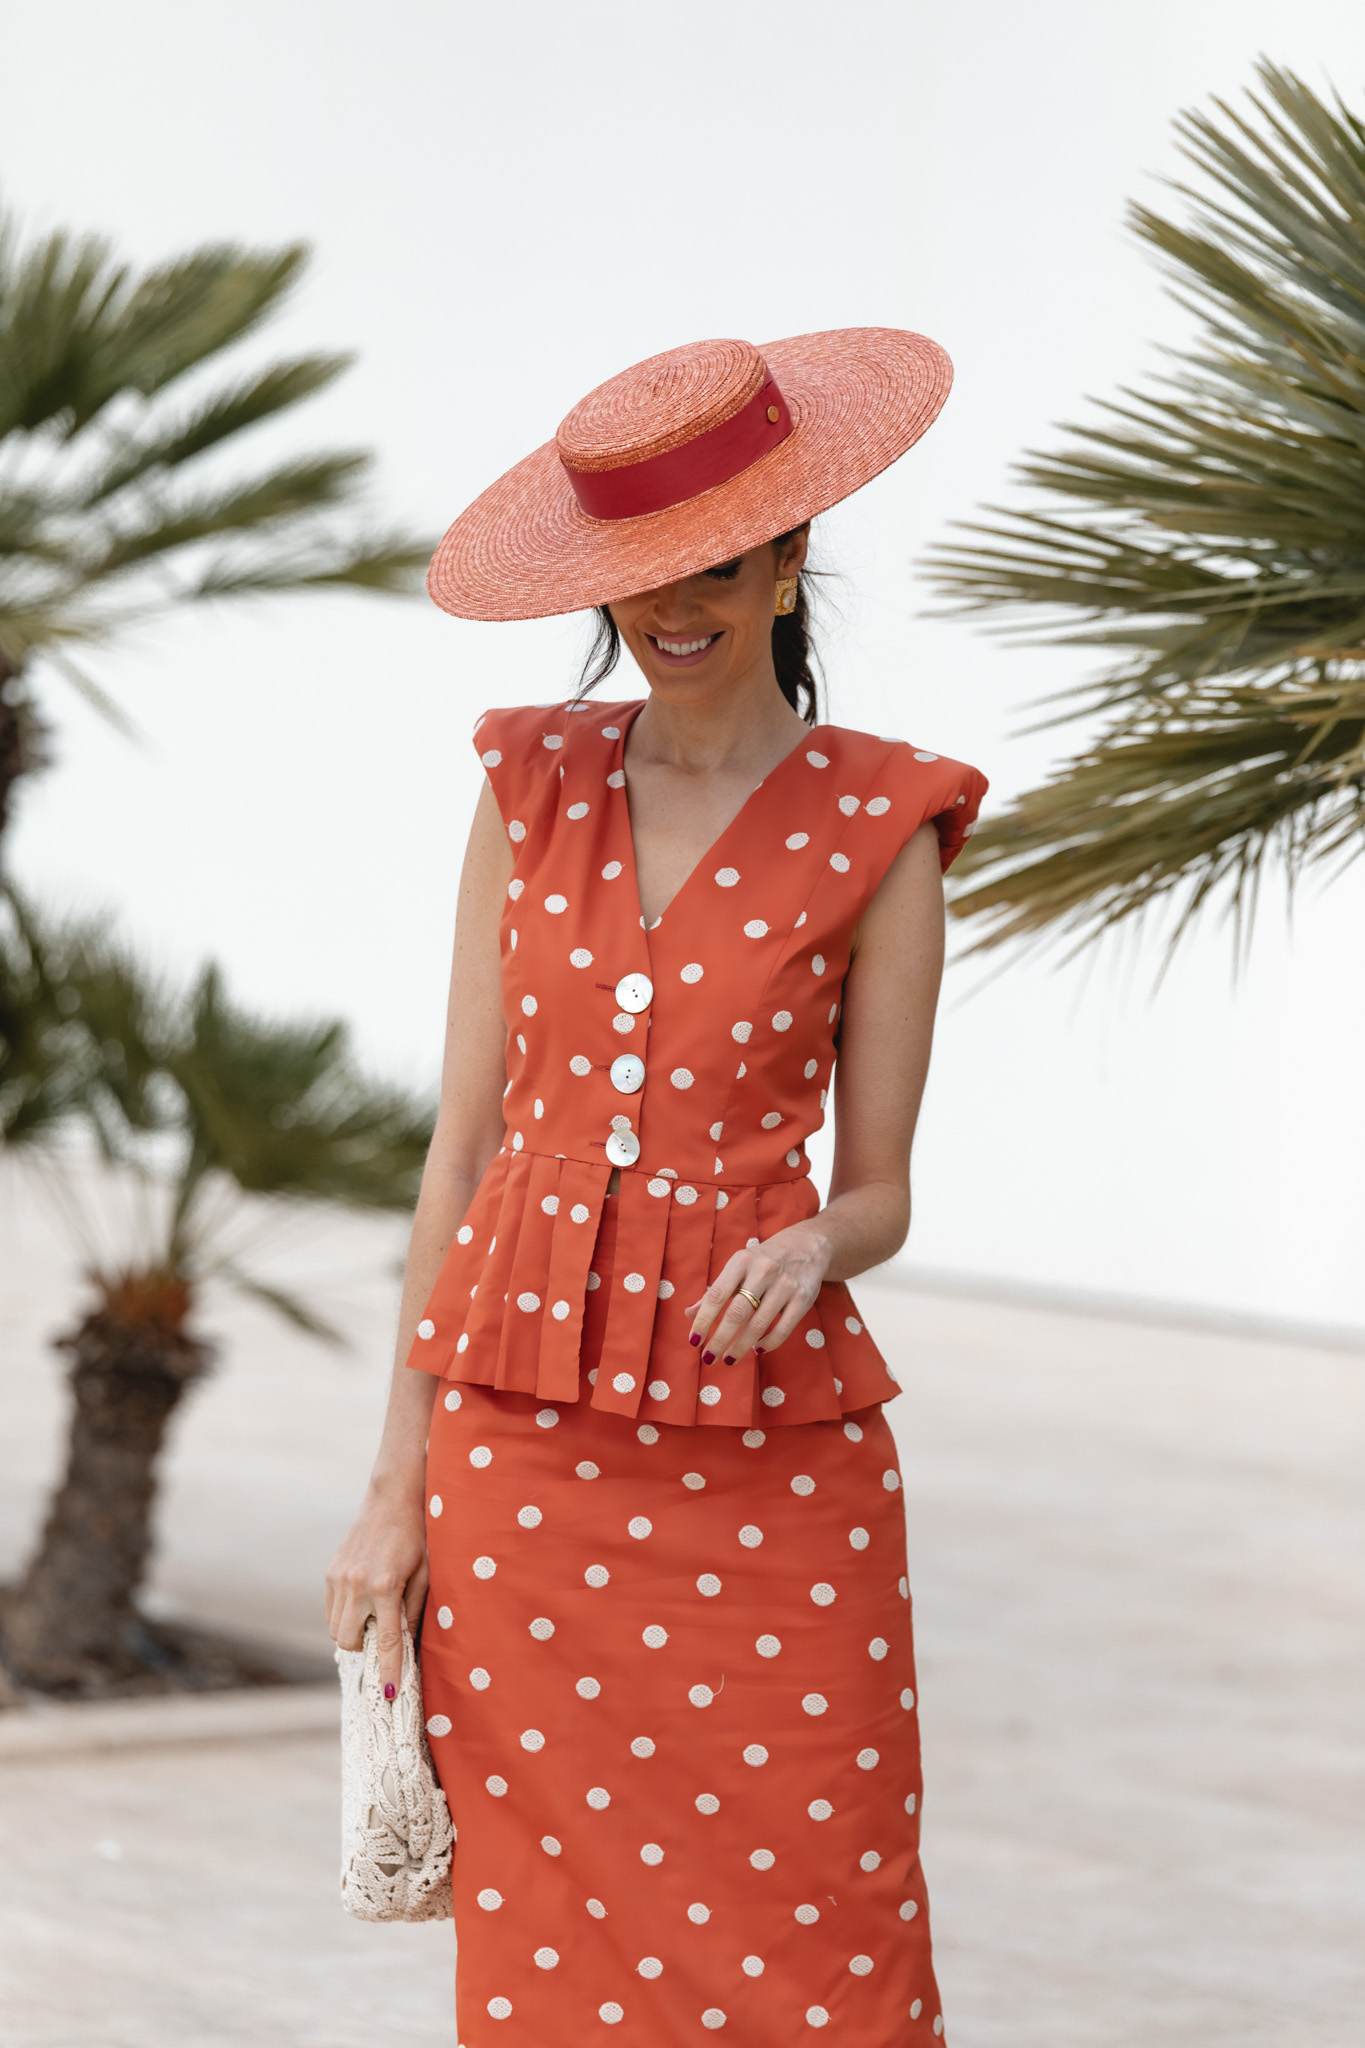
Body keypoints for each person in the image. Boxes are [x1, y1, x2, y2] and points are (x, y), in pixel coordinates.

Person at [326, 330, 987, 2044]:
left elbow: (883, 1191)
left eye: (712, 569)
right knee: (547, 1936)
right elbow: (460, 1152)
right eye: (639, 577)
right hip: (521, 1455)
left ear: (788, 561)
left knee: (826, 1923)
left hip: (769, 1445)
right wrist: (395, 1488)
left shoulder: (883, 823)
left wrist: (817, 1243)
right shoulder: (528, 784)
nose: (672, 611)